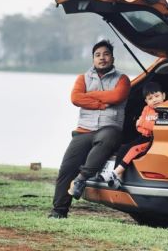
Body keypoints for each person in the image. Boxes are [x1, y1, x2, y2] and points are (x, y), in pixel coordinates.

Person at [49, 39, 131, 219]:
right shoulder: (82, 78)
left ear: (112, 58)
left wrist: (90, 96)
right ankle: (58, 211)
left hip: (109, 128)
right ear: (93, 59)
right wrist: (101, 103)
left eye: (106, 54)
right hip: (84, 130)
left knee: (107, 137)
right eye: (98, 55)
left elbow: (117, 96)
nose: (102, 58)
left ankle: (81, 179)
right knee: (67, 167)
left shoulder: (122, 79)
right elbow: (75, 98)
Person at [107, 81, 163, 189]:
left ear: (163, 96)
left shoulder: (164, 110)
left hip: (153, 140)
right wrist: (145, 126)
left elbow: (155, 127)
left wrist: (143, 124)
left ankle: (116, 172)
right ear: (146, 101)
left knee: (134, 149)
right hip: (143, 136)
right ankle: (118, 177)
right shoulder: (146, 109)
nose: (154, 100)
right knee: (123, 148)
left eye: (157, 96)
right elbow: (138, 127)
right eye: (150, 98)